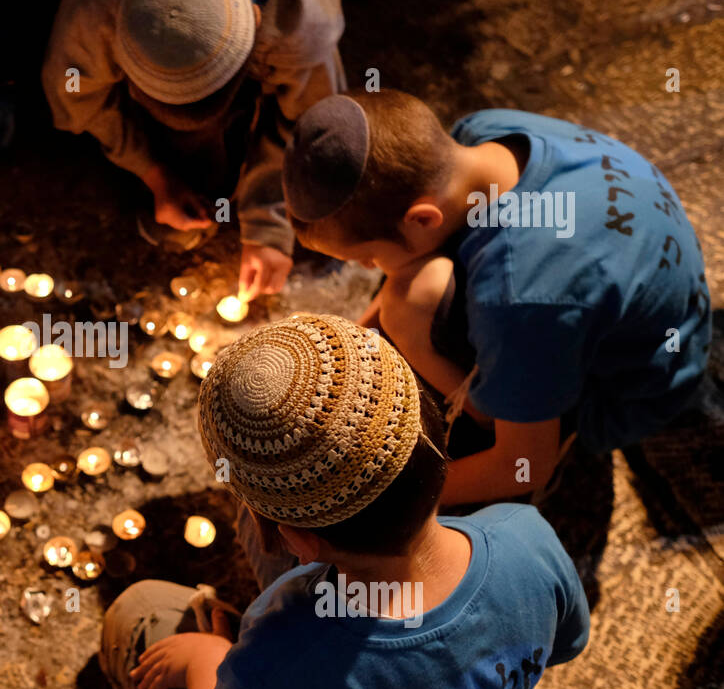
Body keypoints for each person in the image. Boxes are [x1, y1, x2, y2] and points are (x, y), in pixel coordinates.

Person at [100, 314, 590, 689]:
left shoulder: (272, 668)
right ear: (438, 440)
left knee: (140, 610)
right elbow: (566, 642)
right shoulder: (526, 535)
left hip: (297, 679)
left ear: (297, 541)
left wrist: (206, 658)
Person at [281, 91, 710, 505]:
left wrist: (383, 501)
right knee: (408, 292)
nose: (370, 268)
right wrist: (360, 340)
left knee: (412, 300)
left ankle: (552, 429)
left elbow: (522, 463)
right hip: (629, 293)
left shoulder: (522, 295)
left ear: (422, 218)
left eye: (367, 257)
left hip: (633, 387)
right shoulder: (485, 132)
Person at [43, 0, 345, 299]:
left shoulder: (302, 29)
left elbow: (305, 127)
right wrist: (154, 174)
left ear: (254, 23)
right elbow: (72, 93)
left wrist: (267, 224)